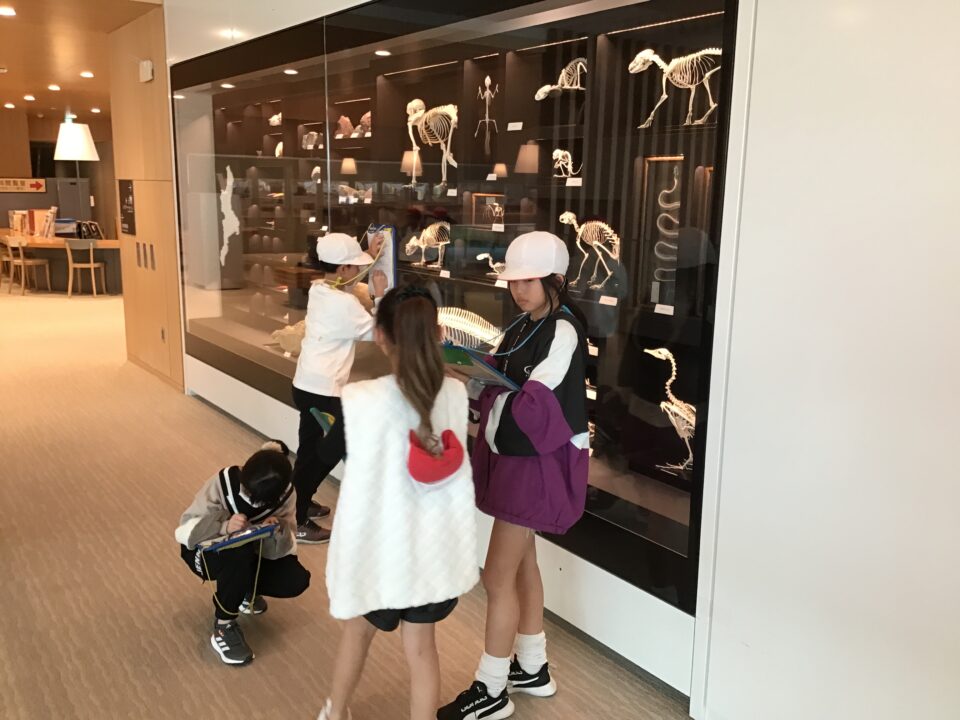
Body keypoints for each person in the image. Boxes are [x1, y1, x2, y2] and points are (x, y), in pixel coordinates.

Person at [438, 232, 589, 720]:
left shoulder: (563, 331)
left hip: (538, 466)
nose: (517, 289)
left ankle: (492, 688)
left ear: (555, 280)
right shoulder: (526, 324)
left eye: (528, 280)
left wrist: (484, 389)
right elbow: (505, 380)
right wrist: (470, 374)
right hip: (520, 459)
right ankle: (533, 666)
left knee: (496, 576)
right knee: (523, 567)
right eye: (513, 281)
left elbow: (536, 405)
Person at [318, 285, 480, 720]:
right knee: (422, 651)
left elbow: (332, 458)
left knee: (357, 634)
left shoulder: (362, 400)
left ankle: (335, 713)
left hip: (380, 553)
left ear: (379, 336)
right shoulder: (454, 393)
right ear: (438, 333)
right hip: (431, 556)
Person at [176, 440, 310, 666]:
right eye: (246, 490)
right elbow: (184, 531)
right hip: (206, 552)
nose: (248, 498)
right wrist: (223, 526)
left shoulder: (287, 493)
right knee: (238, 552)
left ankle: (244, 591)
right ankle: (224, 625)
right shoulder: (223, 482)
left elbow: (287, 546)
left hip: (252, 553)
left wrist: (277, 529)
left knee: (295, 579)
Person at [291, 232, 387, 544]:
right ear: (343, 269)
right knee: (327, 451)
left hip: (306, 384)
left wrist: (367, 254)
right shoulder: (344, 304)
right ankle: (297, 519)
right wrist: (381, 295)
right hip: (324, 391)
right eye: (354, 265)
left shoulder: (320, 288)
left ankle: (300, 502)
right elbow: (379, 333)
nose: (358, 270)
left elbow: (345, 280)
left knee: (309, 449)